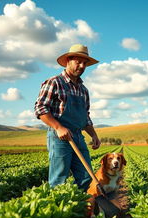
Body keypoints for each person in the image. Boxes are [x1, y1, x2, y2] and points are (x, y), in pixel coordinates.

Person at [34, 44, 101, 191]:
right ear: (68, 61)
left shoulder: (84, 90)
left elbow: (85, 117)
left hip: (78, 136)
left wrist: (94, 135)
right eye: (78, 62)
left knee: (86, 177)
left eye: (85, 63)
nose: (82, 66)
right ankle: (59, 211)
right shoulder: (55, 82)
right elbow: (40, 108)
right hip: (60, 137)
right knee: (59, 179)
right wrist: (58, 127)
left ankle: (81, 210)